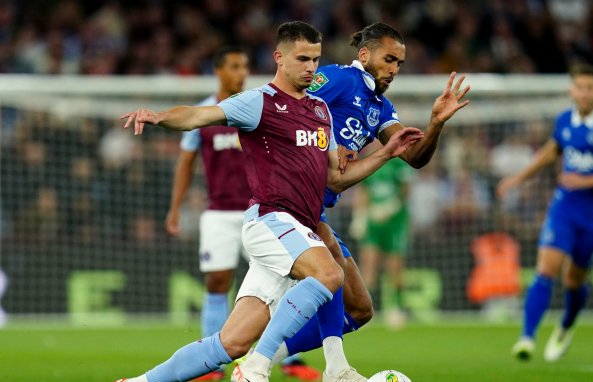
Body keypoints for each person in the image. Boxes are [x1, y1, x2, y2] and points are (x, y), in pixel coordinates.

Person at [118, 21, 423, 382]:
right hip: (271, 219)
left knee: (229, 343)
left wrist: (386, 153)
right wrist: (160, 116)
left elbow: (337, 179)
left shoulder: (320, 112)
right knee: (329, 273)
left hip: (298, 228)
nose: (311, 67)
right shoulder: (260, 101)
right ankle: (259, 367)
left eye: (315, 59)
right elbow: (201, 116)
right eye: (303, 59)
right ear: (279, 58)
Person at [272, 22, 471, 365]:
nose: (394, 69)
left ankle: (266, 358)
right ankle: (320, 367)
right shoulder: (338, 79)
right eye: (389, 59)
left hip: (316, 210)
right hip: (288, 206)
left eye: (400, 64)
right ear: (364, 54)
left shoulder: (381, 108)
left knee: (361, 309)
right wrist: (326, 145)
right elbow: (285, 108)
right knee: (307, 287)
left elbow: (413, 157)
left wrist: (435, 123)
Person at [165, 46, 320, 381]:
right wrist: (175, 207)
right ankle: (213, 366)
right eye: (234, 66)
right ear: (218, 71)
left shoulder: (260, 105)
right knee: (217, 281)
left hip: (267, 213)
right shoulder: (208, 112)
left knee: (289, 283)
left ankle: (289, 359)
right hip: (219, 212)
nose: (241, 72)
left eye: (245, 65)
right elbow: (186, 162)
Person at [497, 63, 593, 362]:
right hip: (566, 205)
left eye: (590, 88)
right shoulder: (564, 120)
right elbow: (551, 151)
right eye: (580, 87)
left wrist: (586, 180)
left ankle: (566, 326)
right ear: (571, 90)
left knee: (574, 277)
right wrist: (517, 179)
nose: (584, 93)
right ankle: (527, 337)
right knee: (546, 267)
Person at [351, 155, 413, 329]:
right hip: (373, 221)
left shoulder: (398, 163)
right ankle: (367, 311)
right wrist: (360, 217)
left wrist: (392, 206)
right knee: (369, 265)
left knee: (395, 268)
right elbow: (364, 191)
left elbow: (406, 191)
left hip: (395, 221)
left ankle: (396, 308)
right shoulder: (368, 160)